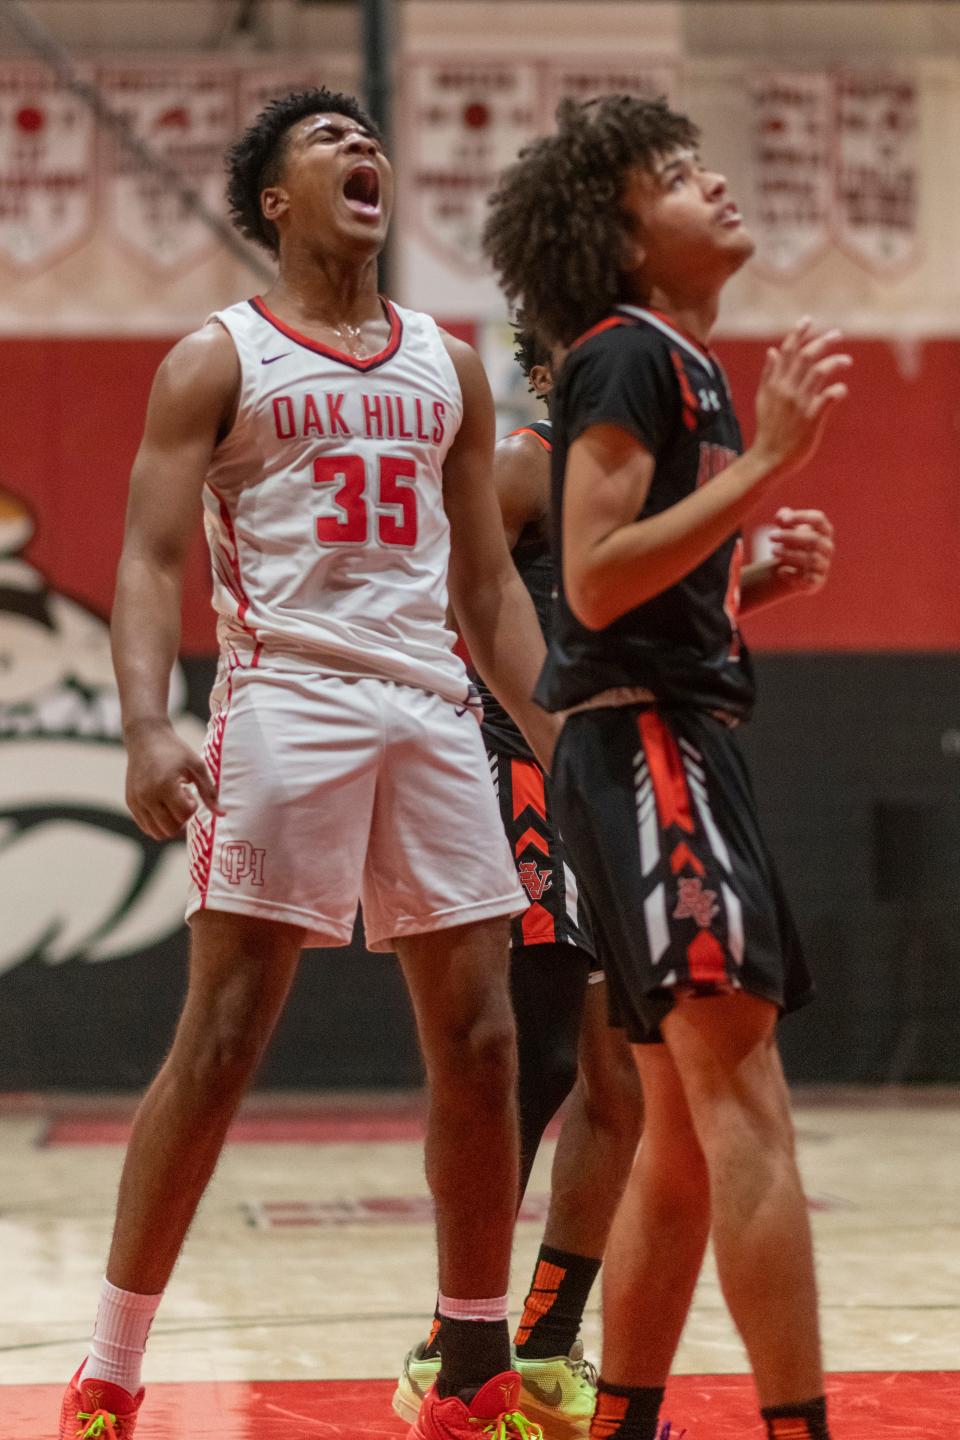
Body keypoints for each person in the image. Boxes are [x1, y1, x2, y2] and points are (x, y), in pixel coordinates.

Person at [59, 87, 559, 1440]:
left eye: (371, 140)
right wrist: (151, 724)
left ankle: (471, 1366)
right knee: (222, 1040)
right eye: (329, 142)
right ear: (274, 202)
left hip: (434, 708)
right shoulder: (214, 359)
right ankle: (108, 1368)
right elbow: (149, 563)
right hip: (289, 699)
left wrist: (567, 737)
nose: (365, 152)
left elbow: (489, 591)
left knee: (484, 1040)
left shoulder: (448, 367)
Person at [483, 93, 845, 1440]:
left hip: (661, 742)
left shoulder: (660, 357)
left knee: (684, 1144)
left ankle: (624, 1419)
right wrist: (769, 468)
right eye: (682, 176)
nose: (720, 185)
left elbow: (634, 585)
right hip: (649, 753)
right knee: (743, 1111)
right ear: (623, 235)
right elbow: (587, 573)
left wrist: (747, 577)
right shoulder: (629, 354)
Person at [393, 333, 643, 1440]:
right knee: (532, 1057)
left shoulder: (629, 475)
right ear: (549, 365)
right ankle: (456, 1342)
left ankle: (541, 1344)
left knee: (619, 1093)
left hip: (611, 770)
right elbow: (449, 604)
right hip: (518, 762)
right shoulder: (523, 459)